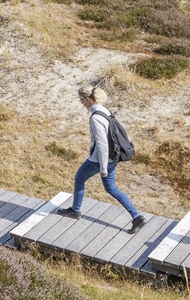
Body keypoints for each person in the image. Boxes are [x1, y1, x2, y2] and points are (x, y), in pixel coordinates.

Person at [56, 86, 147, 233]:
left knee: (79, 178)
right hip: (113, 157)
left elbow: (102, 145)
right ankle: (137, 217)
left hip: (99, 160)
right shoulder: (105, 111)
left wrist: (103, 168)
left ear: (88, 99)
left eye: (82, 100)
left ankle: (75, 210)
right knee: (111, 188)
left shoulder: (96, 118)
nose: (81, 103)